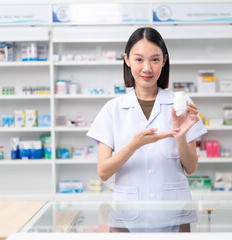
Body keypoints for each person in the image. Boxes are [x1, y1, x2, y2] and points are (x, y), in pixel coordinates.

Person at [87, 27, 207, 232]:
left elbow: (191, 167)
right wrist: (134, 145)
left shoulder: (180, 104)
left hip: (175, 216)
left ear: (164, 60)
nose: (147, 68)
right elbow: (103, 172)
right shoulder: (112, 109)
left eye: (154, 59)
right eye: (139, 59)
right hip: (127, 218)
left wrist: (180, 136)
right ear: (127, 60)